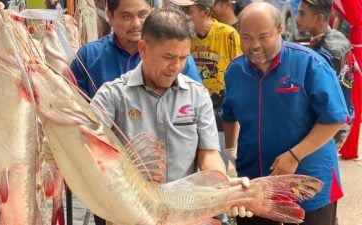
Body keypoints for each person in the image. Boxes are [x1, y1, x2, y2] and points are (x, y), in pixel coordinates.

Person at [93, 7, 251, 224]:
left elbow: (208, 154)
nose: (176, 66)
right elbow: (88, 149)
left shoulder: (197, 95)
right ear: (143, 49)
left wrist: (224, 190)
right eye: (168, 57)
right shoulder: (113, 96)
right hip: (132, 215)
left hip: (187, 214)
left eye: (183, 57)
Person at [221, 2, 347, 225]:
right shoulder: (235, 72)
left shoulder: (309, 63)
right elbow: (229, 114)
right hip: (256, 184)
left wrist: (294, 155)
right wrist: (231, 150)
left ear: (280, 30)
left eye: (263, 36)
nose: (254, 46)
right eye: (247, 38)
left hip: (309, 182)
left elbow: (335, 118)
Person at [70, 0, 201, 98]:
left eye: (142, 15)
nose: (136, 24)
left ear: (153, 11)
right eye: (126, 16)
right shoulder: (88, 57)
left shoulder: (175, 56)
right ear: (110, 15)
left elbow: (194, 102)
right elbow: (76, 109)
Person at [170, 0, 242, 172]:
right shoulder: (184, 37)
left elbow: (240, 75)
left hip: (220, 112)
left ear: (206, 12)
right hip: (187, 112)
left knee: (216, 169)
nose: (182, 14)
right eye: (180, 9)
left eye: (188, 10)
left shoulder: (228, 35)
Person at [296, 0, 353, 150]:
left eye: (302, 14)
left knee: (317, 170)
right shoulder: (338, 37)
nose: (296, 19)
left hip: (328, 124)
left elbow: (314, 93)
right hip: (342, 116)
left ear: (319, 18)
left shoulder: (323, 54)